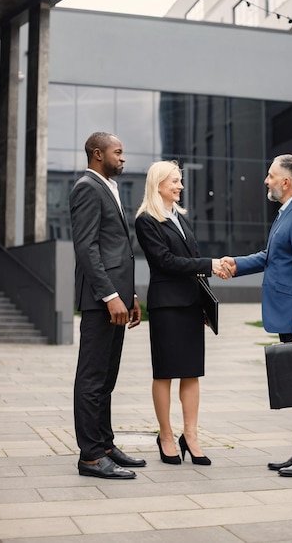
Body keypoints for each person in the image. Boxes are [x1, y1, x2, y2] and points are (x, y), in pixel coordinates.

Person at [221, 154, 292, 477]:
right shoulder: (289, 212)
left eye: (270, 176)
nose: (266, 181)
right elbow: (273, 257)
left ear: (286, 182)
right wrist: (237, 264)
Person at [135, 160, 223, 466]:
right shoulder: (147, 220)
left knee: (191, 372)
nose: (180, 186)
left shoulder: (180, 218)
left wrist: (204, 303)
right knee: (165, 373)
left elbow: (192, 258)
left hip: (189, 305)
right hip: (166, 307)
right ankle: (167, 436)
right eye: (174, 181)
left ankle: (191, 435)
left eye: (180, 181)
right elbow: (165, 262)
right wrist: (208, 264)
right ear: (158, 184)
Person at [69, 131, 146, 479]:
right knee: (92, 377)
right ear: (98, 154)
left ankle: (104, 444)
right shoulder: (87, 187)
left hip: (116, 299)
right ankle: (89, 457)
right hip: (102, 301)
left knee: (107, 378)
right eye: (118, 152)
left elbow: (115, 249)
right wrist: (110, 296)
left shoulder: (108, 187)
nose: (123, 158)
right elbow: (87, 249)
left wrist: (128, 295)